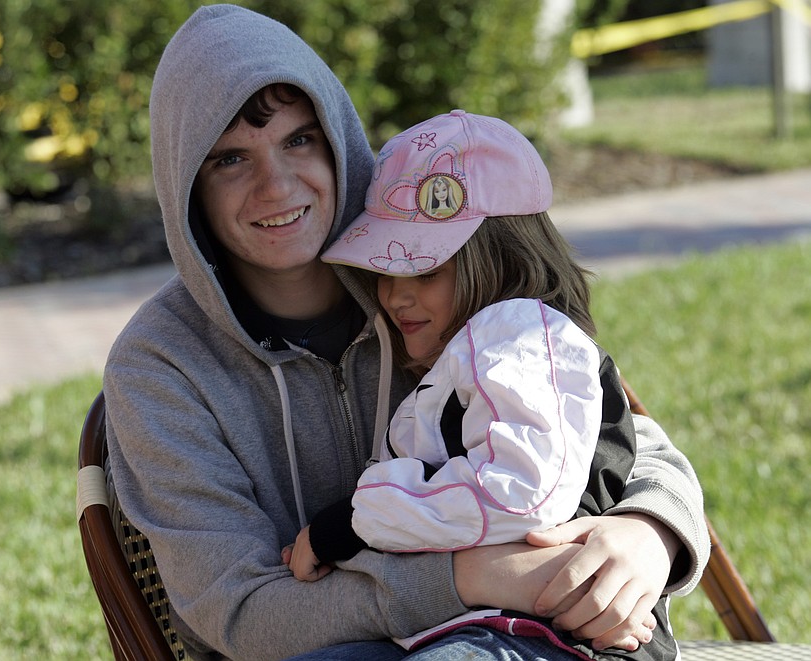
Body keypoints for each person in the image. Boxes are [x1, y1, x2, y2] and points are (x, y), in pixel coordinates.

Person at [102, 5, 709, 660]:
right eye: (229, 159)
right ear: (185, 185)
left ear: (336, 138)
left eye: (298, 140)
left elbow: (613, 428)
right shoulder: (159, 366)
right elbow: (241, 612)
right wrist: (471, 577)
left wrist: (650, 530)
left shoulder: (428, 278)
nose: (275, 185)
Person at [283, 110, 678, 660]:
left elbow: (522, 494)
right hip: (474, 623)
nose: (396, 297)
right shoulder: (470, 356)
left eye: (426, 271)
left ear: (502, 261)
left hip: (562, 631)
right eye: (385, 272)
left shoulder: (518, 332)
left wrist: (353, 522)